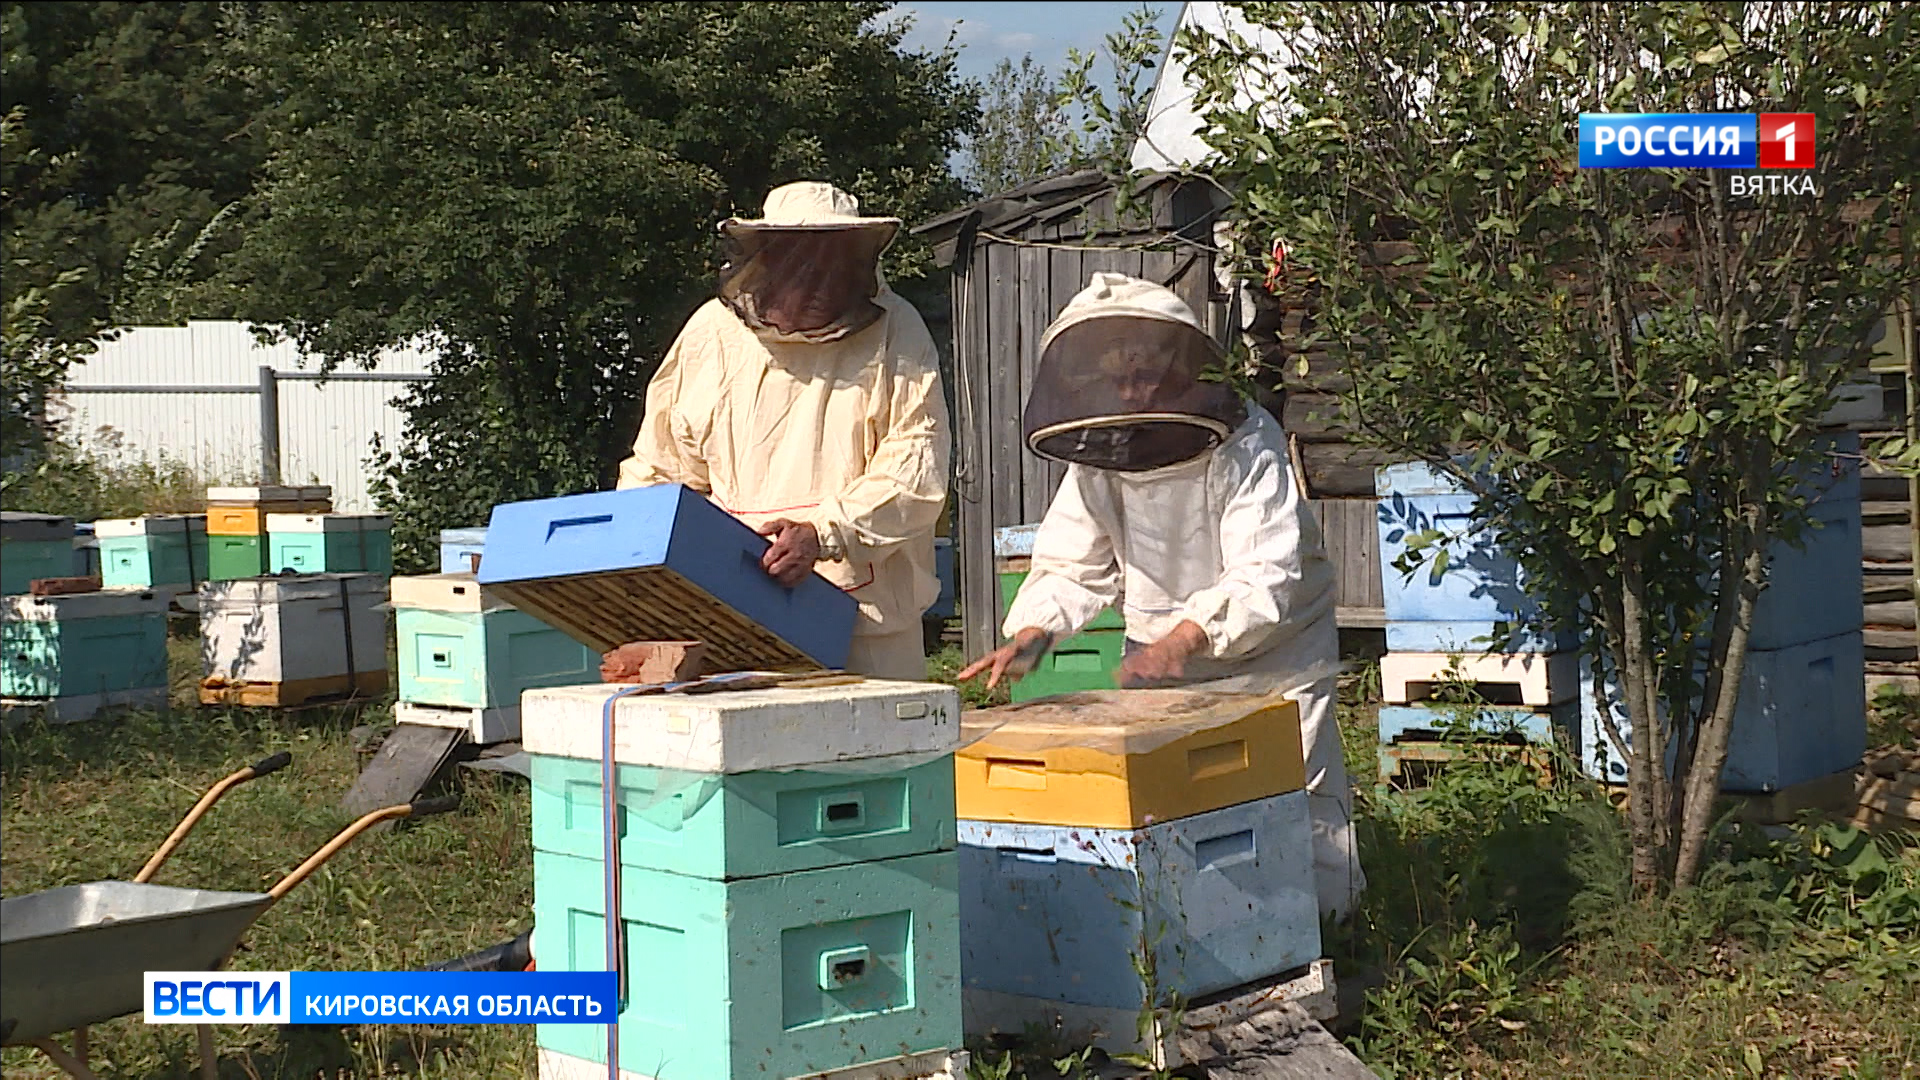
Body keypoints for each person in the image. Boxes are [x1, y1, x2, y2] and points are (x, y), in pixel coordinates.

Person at [959, 271, 1364, 919]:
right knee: (1172, 812)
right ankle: (1193, 941)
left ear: (1176, 366)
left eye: (1144, 372)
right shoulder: (1101, 452)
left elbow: (1269, 572)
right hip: (1159, 649)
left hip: (1274, 652)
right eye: (1117, 375)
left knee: (1297, 796)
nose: (1131, 388)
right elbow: (1072, 559)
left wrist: (1183, 638)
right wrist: (1035, 630)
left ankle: (1329, 934)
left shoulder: (1245, 438)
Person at [616, 181, 950, 681]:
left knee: (874, 757)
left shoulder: (896, 329)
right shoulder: (711, 333)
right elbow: (661, 467)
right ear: (765, 256)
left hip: (864, 621)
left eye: (828, 258)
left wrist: (824, 533)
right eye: (799, 256)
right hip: (733, 606)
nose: (813, 275)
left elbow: (915, 466)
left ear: (856, 260)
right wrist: (637, 561)